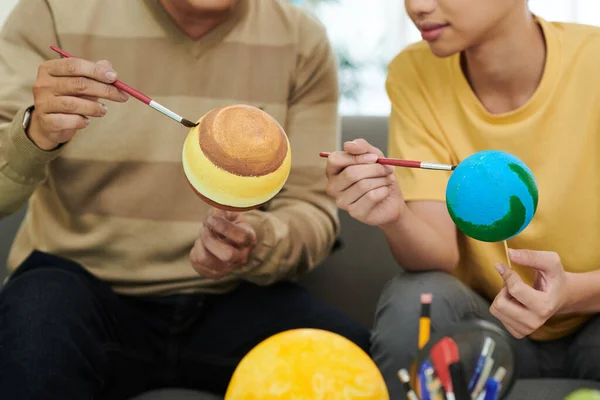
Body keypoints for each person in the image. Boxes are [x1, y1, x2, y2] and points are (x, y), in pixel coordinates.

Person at [0, 0, 371, 398]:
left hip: (233, 296)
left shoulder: (302, 39)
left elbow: (312, 209)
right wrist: (35, 134)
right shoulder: (52, 11)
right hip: (79, 294)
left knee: (346, 355)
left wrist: (257, 241)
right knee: (35, 318)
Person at [324, 0, 600, 397]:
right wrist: (393, 215)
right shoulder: (415, 72)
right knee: (414, 299)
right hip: (489, 325)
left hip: (593, 317)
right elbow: (439, 256)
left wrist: (571, 293)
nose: (416, 6)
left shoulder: (592, 61)